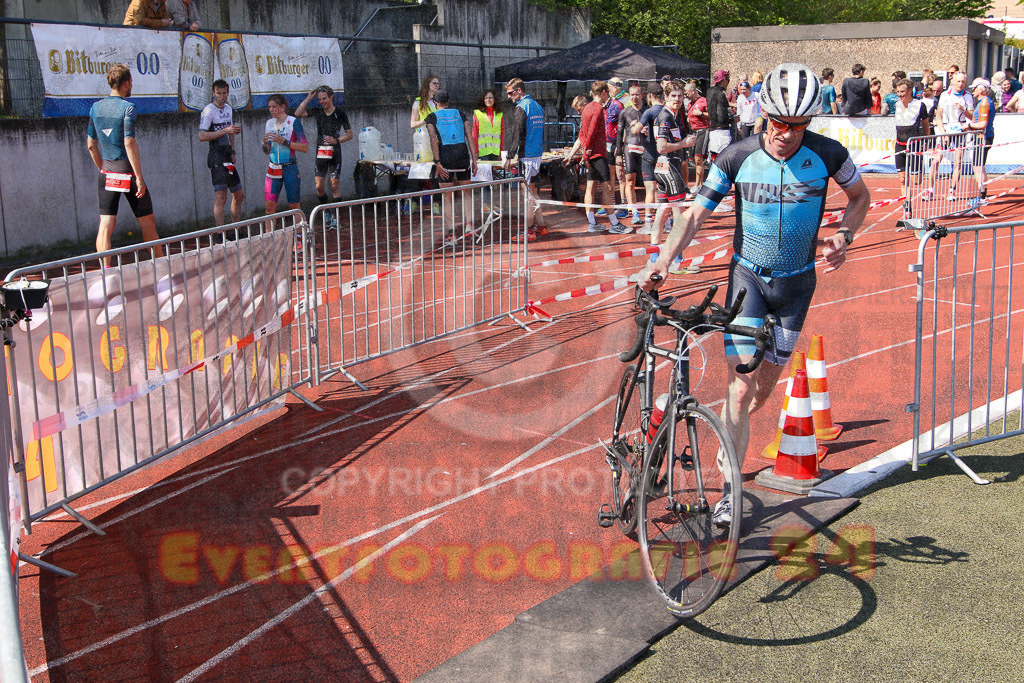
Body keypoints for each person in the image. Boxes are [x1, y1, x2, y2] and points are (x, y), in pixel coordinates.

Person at [636, 63, 869, 528]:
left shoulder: (828, 153)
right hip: (749, 283)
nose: (786, 134)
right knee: (740, 387)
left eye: (797, 126)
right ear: (764, 116)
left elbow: (860, 198)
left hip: (798, 286)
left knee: (762, 390)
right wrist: (664, 259)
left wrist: (844, 234)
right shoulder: (737, 156)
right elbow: (695, 215)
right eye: (778, 124)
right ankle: (729, 489)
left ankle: (717, 430)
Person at [87, 64, 163, 264]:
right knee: (147, 221)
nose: (132, 86)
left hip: (107, 171)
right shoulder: (128, 107)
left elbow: (91, 145)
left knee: (105, 224)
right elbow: (129, 141)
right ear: (126, 82)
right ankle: (163, 268)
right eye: (131, 82)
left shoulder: (95, 108)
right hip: (126, 171)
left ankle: (106, 273)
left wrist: (103, 169)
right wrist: (138, 177)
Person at [562, 81, 629, 233]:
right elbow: (590, 133)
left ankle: (592, 222)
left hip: (591, 154)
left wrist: (578, 154)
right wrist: (586, 154)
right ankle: (614, 223)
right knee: (608, 187)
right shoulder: (597, 108)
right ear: (604, 93)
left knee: (590, 187)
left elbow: (582, 134)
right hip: (597, 155)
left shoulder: (587, 109)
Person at [653, 80, 697, 274]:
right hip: (669, 167)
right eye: (673, 96)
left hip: (666, 167)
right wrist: (684, 144)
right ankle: (677, 259)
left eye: (680, 96)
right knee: (679, 216)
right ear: (666, 97)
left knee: (663, 212)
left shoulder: (674, 115)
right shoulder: (665, 117)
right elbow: (661, 147)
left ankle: (654, 257)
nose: (677, 99)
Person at [295, 85, 352, 227]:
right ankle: (326, 212)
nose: (322, 102)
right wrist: (309, 98)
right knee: (319, 186)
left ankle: (336, 218)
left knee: (334, 185)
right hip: (321, 152)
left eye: (324, 99)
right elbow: (298, 112)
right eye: (320, 100)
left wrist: (337, 140)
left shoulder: (340, 113)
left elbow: (349, 134)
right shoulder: (318, 112)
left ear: (331, 97)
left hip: (335, 152)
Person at [425, 90, 478, 238]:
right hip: (462, 154)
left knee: (447, 197)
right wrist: (474, 159)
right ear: (448, 102)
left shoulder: (432, 117)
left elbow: (433, 140)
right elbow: (470, 136)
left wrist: (437, 162)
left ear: (435, 103)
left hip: (445, 156)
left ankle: (451, 234)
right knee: (466, 193)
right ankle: (469, 226)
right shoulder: (459, 114)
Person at [504, 78, 548, 240]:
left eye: (510, 93)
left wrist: (509, 156)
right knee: (533, 191)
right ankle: (541, 225)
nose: (509, 96)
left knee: (527, 194)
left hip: (527, 156)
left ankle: (528, 230)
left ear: (519, 90)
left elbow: (517, 134)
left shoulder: (522, 108)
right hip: (536, 154)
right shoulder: (537, 106)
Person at [198, 78, 244, 226]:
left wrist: (233, 151)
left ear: (228, 93)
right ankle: (220, 235)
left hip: (227, 156)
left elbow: (231, 132)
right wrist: (225, 130)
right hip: (217, 158)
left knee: (239, 195)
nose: (221, 96)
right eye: (218, 93)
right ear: (213, 93)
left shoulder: (229, 109)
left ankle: (236, 229)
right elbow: (202, 136)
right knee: (221, 197)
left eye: (224, 93)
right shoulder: (209, 110)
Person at [262, 93, 308, 214]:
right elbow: (267, 150)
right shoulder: (269, 123)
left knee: (294, 205)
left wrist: (285, 142)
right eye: (270, 107)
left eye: (274, 106)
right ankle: (268, 233)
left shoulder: (293, 122)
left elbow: (304, 147)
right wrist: (265, 143)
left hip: (290, 167)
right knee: (269, 207)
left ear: (283, 107)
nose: (271, 110)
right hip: (273, 168)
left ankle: (299, 232)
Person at [931, 71, 973, 201]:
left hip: (959, 130)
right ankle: (930, 190)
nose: (960, 84)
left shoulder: (968, 96)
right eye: (958, 81)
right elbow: (938, 115)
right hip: (946, 129)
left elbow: (972, 116)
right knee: (937, 159)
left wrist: (963, 109)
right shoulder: (945, 95)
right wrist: (943, 132)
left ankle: (952, 190)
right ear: (953, 82)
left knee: (958, 162)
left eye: (963, 82)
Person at [892, 78, 930, 207]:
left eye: (902, 91)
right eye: (898, 92)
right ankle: (907, 206)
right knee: (903, 179)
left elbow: (925, 123)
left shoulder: (920, 105)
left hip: (915, 146)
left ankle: (920, 169)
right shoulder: (896, 104)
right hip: (900, 145)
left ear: (909, 91)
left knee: (916, 181)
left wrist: (927, 139)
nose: (900, 94)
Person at [615, 83, 647, 226]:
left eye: (637, 94)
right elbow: (620, 133)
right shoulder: (625, 112)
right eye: (632, 94)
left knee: (650, 183)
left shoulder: (648, 111)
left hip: (646, 150)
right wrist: (618, 153)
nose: (634, 97)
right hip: (630, 150)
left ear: (642, 95)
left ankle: (650, 213)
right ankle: (634, 212)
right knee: (630, 181)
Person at [411, 74, 441, 216]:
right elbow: (412, 124)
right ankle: (414, 202)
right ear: (427, 85)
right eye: (434, 83)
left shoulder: (438, 102)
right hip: (422, 143)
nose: (437, 86)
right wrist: (424, 121)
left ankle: (436, 203)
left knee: (437, 170)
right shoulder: (418, 102)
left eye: (438, 83)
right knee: (419, 173)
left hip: (436, 141)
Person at [637, 88, 665, 234]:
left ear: (649, 95)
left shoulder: (649, 111)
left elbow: (636, 129)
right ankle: (666, 222)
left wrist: (634, 125)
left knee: (650, 189)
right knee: (664, 189)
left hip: (649, 153)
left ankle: (648, 223)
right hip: (664, 154)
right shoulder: (668, 111)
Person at [966, 77, 996, 207]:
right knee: (979, 166)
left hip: (982, 138)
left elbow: (982, 123)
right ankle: (982, 194)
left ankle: (982, 195)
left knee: (979, 167)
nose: (973, 91)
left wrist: (969, 125)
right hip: (981, 137)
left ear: (981, 89)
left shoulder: (984, 102)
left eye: (975, 88)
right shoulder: (984, 102)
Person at [605, 78, 627, 218]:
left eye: (609, 87)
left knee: (621, 175)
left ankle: (624, 205)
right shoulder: (610, 102)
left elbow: (626, 125)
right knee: (610, 174)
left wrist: (621, 144)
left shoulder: (623, 101)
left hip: (617, 142)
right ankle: (612, 204)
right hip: (608, 141)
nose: (607, 90)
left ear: (615, 87)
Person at [684, 82, 710, 191]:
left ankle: (699, 184)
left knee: (699, 158)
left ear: (693, 91)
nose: (686, 95)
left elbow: (712, 114)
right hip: (694, 131)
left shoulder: (703, 101)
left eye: (687, 93)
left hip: (703, 131)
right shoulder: (690, 104)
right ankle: (697, 183)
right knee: (694, 159)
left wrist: (701, 114)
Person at [707, 70, 733, 160]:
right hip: (722, 132)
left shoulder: (709, 92)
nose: (728, 83)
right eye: (728, 80)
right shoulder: (720, 94)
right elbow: (721, 115)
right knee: (723, 159)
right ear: (724, 80)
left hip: (713, 130)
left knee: (714, 158)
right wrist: (732, 120)